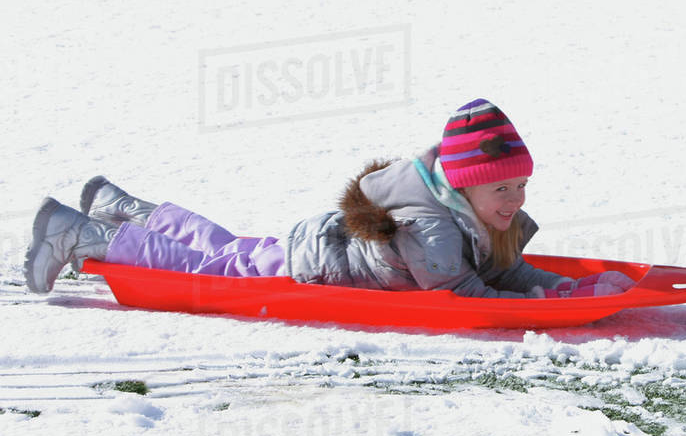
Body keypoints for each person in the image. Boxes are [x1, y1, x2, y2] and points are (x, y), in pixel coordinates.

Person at [25, 99, 634, 300]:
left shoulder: (467, 211)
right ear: (464, 186)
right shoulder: (434, 227)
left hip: (317, 243)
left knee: (227, 248)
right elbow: (465, 295)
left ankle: (124, 208)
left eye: (522, 185)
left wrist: (553, 285)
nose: (516, 199)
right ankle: (81, 235)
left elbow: (506, 268)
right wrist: (539, 304)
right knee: (208, 267)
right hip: (310, 265)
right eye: (503, 187)